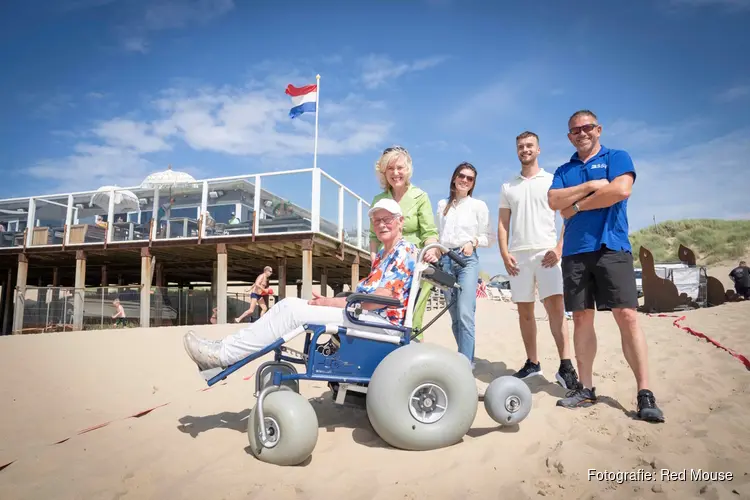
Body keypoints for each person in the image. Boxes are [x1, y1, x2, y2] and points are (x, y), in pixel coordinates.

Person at [183, 198, 419, 372]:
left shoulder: (404, 250)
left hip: (381, 323)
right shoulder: (382, 255)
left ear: (400, 222)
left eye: (387, 219)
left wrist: (328, 302)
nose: (381, 224)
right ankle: (224, 349)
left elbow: (374, 300)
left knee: (292, 310)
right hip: (365, 316)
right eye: (377, 221)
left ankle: (223, 354)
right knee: (289, 306)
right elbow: (365, 296)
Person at [547, 109, 664, 423]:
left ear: (598, 129)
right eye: (575, 130)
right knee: (582, 318)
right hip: (575, 251)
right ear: (569, 136)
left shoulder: (617, 156)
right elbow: (554, 202)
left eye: (587, 128)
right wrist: (592, 186)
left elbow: (620, 190)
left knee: (626, 316)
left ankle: (644, 393)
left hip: (612, 246)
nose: (581, 133)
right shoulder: (563, 169)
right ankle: (586, 388)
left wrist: (577, 206)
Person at [498, 131, 579, 391]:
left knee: (556, 310)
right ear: (517, 150)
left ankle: (566, 365)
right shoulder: (508, 186)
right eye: (520, 146)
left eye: (529, 145)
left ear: (538, 149)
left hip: (547, 254)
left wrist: (559, 247)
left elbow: (569, 214)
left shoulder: (553, 180)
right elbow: (502, 223)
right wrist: (503, 252)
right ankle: (533, 363)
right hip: (518, 256)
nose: (525, 149)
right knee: (525, 313)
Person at [369, 146, 439, 337]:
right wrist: (375, 263)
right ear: (384, 172)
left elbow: (429, 232)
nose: (396, 173)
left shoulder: (420, 196)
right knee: (379, 313)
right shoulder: (378, 199)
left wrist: (431, 251)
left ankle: (412, 356)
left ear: (408, 169)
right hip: (386, 265)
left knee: (412, 319)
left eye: (400, 168)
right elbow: (373, 237)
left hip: (413, 264)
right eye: (390, 169)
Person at [435, 162, 490, 391]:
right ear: (454, 178)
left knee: (466, 313)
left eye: (469, 178)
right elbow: (438, 234)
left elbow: (486, 236)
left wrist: (473, 242)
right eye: (461, 176)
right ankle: (464, 356)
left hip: (467, 261)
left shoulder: (478, 205)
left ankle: (466, 364)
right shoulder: (442, 205)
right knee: (455, 317)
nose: (465, 181)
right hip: (446, 260)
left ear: (473, 183)